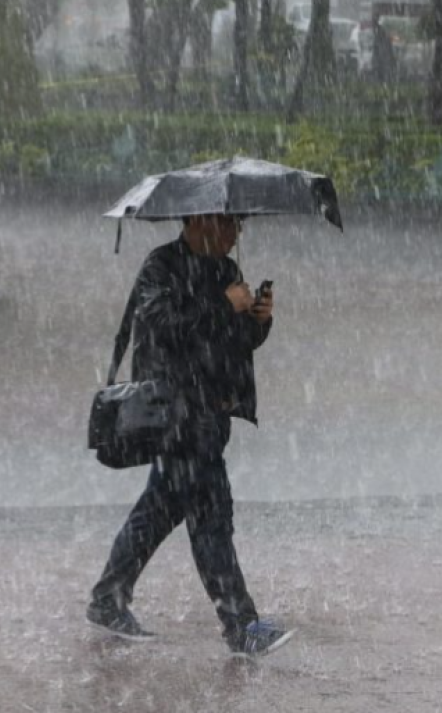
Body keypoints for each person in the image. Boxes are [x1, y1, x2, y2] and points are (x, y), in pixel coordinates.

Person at [86, 213, 294, 656]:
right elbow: (162, 327)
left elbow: (235, 340)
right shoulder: (160, 266)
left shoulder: (226, 270)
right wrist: (222, 305)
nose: (237, 233)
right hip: (177, 416)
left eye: (238, 225)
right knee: (211, 518)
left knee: (158, 512)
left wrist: (257, 320)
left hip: (211, 414)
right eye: (229, 224)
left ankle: (108, 599)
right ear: (199, 221)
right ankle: (241, 624)